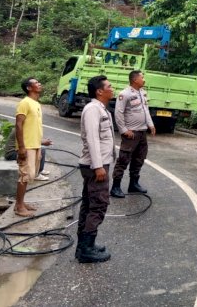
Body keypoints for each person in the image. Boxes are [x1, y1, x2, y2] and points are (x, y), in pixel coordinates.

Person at [76, 75, 115, 263]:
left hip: (96, 165)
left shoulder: (100, 109)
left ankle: (84, 246)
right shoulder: (93, 109)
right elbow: (92, 139)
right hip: (95, 166)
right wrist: (98, 166)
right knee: (98, 205)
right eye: (109, 86)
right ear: (99, 91)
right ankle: (86, 249)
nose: (112, 88)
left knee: (89, 204)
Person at [110, 70, 156, 198]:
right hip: (131, 133)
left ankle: (133, 184)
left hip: (142, 132)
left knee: (139, 158)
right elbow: (118, 113)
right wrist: (124, 130)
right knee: (123, 159)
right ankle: (116, 186)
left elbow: (145, 110)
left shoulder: (142, 93)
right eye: (142, 77)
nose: (144, 80)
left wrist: (150, 125)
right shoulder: (125, 94)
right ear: (135, 79)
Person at [14, 78, 51, 217]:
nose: (40, 84)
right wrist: (21, 147)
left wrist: (41, 141)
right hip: (27, 146)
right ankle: (18, 207)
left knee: (30, 176)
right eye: (36, 83)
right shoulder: (24, 103)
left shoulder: (36, 103)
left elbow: (32, 127)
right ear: (29, 88)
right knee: (24, 176)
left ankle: (22, 203)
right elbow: (18, 125)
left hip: (35, 145)